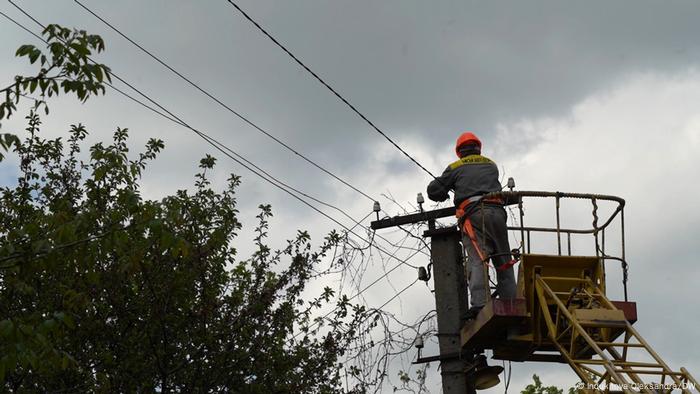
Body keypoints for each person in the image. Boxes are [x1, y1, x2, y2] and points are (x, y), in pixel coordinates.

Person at [427, 132, 516, 318]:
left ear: (459, 151)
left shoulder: (455, 166)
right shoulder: (491, 164)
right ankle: (511, 304)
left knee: (478, 259)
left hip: (474, 215)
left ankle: (480, 305)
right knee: (504, 261)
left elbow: (433, 190)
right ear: (478, 148)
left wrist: (443, 193)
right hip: (498, 213)